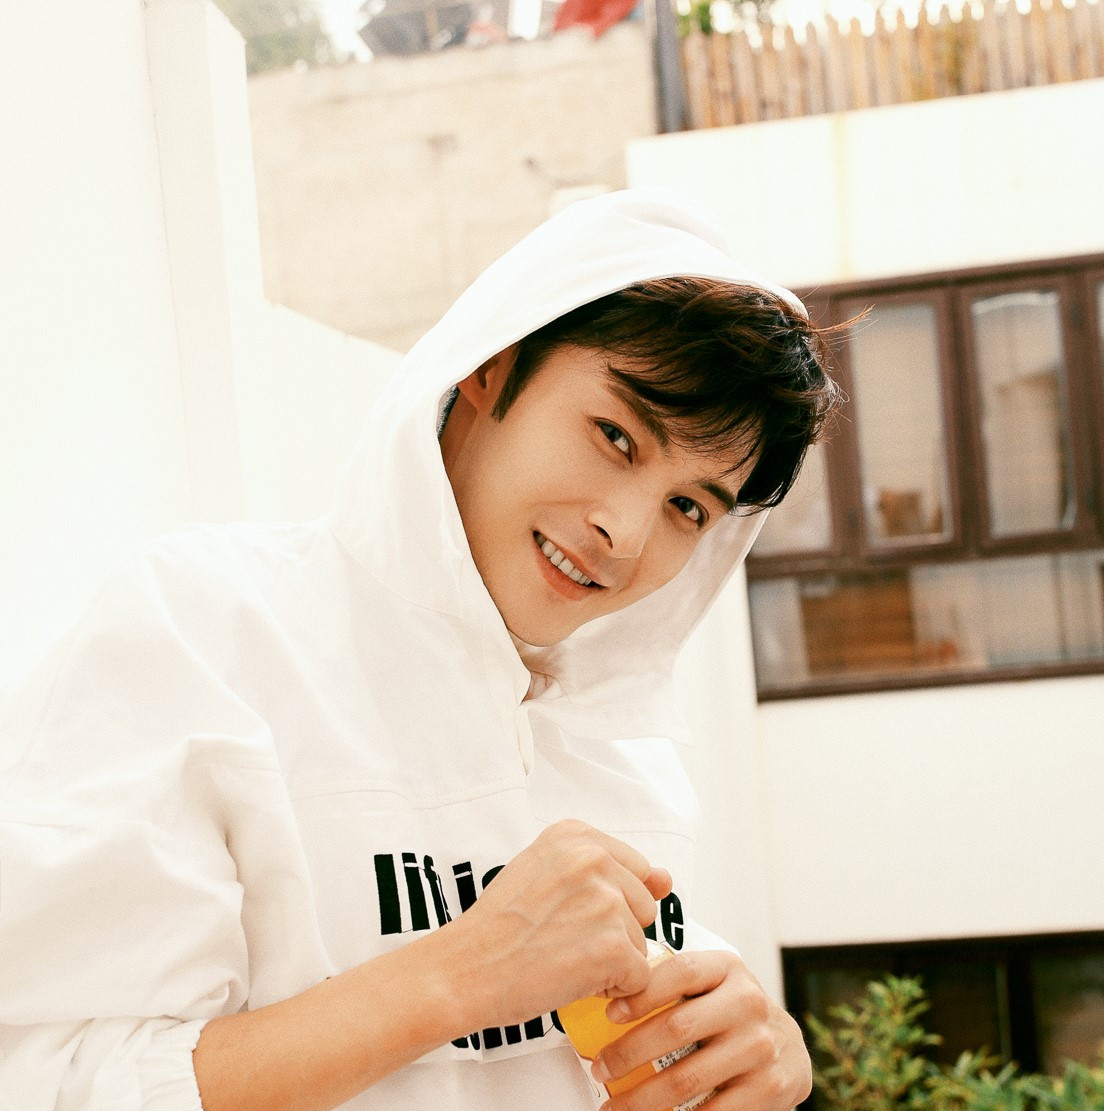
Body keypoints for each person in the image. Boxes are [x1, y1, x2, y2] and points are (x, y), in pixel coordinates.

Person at [0, 189, 842, 1111]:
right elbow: (50, 1080)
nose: (627, 533)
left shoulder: (626, 763)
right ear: (492, 365)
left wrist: (760, 1055)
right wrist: (460, 974)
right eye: (615, 437)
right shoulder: (204, 630)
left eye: (688, 506)